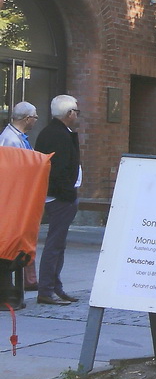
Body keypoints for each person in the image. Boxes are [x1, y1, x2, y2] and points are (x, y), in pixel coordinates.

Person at [33, 95, 82, 305]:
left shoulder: (53, 132)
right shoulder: (58, 135)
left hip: (59, 195)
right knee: (55, 244)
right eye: (76, 111)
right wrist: (68, 194)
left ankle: (54, 286)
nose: (77, 115)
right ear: (69, 113)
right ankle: (46, 289)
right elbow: (58, 170)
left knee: (58, 244)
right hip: (59, 197)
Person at [0, 101, 40, 292]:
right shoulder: (10, 140)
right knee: (11, 243)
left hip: (21, 197)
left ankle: (24, 282)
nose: (36, 120)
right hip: (13, 198)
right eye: (35, 116)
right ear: (27, 119)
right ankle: (9, 288)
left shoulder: (19, 138)